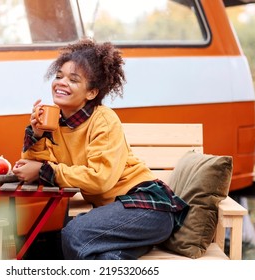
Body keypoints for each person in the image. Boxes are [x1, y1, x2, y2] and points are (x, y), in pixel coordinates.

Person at [12, 38, 189, 260]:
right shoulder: (55, 123)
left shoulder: (103, 119)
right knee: (106, 259)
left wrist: (44, 171)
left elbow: (100, 178)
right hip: (118, 218)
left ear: (92, 93)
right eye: (59, 76)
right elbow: (34, 164)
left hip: (147, 208)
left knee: (74, 233)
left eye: (73, 79)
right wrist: (36, 134)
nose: (61, 82)